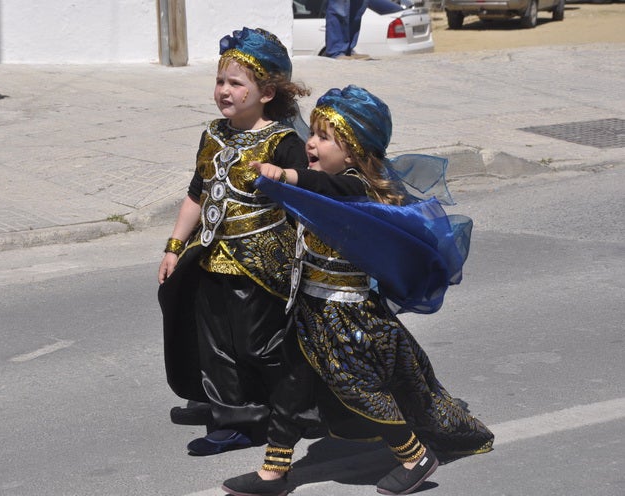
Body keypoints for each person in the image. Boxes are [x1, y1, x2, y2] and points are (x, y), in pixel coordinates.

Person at [221, 85, 494, 496]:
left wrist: (288, 176)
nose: (310, 142)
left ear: (351, 154)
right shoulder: (319, 188)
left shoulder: (354, 189)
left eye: (324, 137)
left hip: (348, 319)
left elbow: (325, 188)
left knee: (361, 391)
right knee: (290, 388)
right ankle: (273, 474)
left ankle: (414, 454)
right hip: (313, 312)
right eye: (312, 133)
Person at [157, 27, 317, 457]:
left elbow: (311, 205)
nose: (223, 91)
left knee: (257, 346)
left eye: (235, 83)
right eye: (220, 81)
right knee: (216, 346)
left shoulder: (284, 143)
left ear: (266, 92)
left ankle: (290, 409)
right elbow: (198, 193)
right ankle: (234, 420)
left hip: (263, 268)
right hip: (211, 259)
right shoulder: (213, 134)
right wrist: (174, 246)